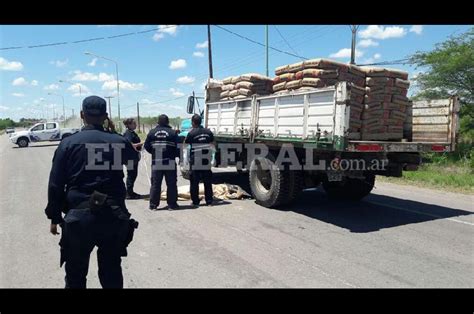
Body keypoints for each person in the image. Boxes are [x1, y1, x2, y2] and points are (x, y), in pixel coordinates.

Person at [45, 95, 139, 289]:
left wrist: (54, 216)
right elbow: (132, 163)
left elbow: (55, 184)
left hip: (79, 219)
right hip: (113, 216)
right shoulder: (118, 141)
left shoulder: (68, 144)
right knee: (112, 271)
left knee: (75, 275)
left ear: (82, 115)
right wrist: (116, 140)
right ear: (106, 116)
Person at [144, 114, 179, 210]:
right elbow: (178, 148)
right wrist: (173, 155)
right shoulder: (172, 133)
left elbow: (146, 146)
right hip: (169, 161)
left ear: (158, 122)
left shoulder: (152, 132)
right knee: (171, 184)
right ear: (168, 122)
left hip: (157, 162)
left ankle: (153, 205)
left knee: (155, 184)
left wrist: (154, 153)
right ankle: (172, 205)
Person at [185, 114, 214, 207]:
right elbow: (212, 142)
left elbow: (186, 143)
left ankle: (195, 201)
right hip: (206, 159)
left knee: (194, 182)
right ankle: (209, 201)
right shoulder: (208, 132)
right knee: (207, 181)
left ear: (193, 122)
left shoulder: (191, 133)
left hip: (196, 161)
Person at [122, 118, 143, 199]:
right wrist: (141, 143)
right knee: (131, 175)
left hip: (132, 157)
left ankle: (129, 191)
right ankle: (129, 193)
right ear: (129, 125)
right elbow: (130, 144)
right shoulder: (128, 133)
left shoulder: (131, 132)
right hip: (130, 158)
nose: (135, 125)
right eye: (134, 123)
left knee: (133, 174)